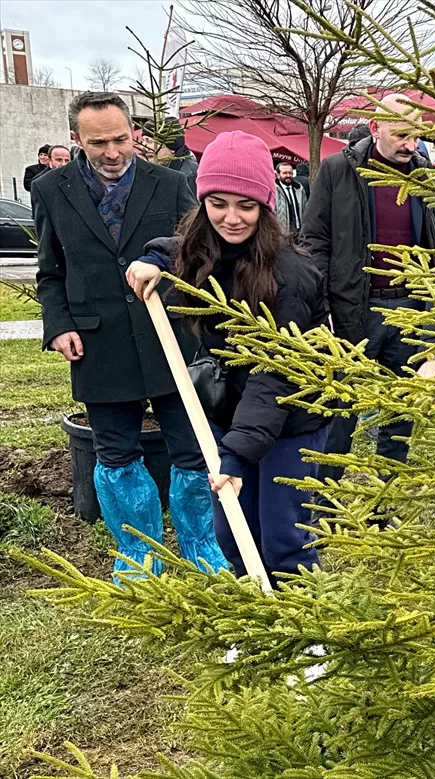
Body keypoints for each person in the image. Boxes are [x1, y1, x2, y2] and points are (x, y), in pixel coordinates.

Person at [32, 92, 226, 579]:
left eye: (121, 138)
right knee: (115, 454)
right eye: (99, 142)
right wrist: (58, 325)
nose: (113, 151)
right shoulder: (53, 190)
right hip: (98, 345)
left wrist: (165, 265)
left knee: (191, 450)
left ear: (133, 133)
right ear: (77, 139)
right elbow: (50, 271)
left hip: (169, 339)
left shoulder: (173, 183)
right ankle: (139, 556)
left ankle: (203, 547)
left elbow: (196, 248)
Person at [126, 131, 330, 582]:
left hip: (290, 415)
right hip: (229, 409)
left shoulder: (292, 275)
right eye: (218, 203)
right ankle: (252, 621)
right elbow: (180, 247)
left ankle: (308, 634)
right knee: (232, 531)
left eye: (246, 205)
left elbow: (274, 377)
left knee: (283, 536)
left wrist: (235, 458)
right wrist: (151, 258)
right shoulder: (204, 248)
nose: (231, 218)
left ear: (265, 206)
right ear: (203, 203)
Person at [301, 94, 435, 481]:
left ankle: (386, 499)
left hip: (411, 311)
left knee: (402, 412)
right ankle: (323, 499)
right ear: (375, 128)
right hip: (353, 310)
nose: (410, 145)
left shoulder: (428, 179)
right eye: (402, 134)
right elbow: (314, 239)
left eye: (416, 136)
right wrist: (323, 306)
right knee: (339, 411)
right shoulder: (337, 171)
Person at [275, 161, 307, 235]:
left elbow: (305, 210)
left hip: (299, 232)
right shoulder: (273, 191)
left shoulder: (299, 189)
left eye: (290, 173)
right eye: (285, 173)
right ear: (278, 175)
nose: (288, 175)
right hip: (282, 234)